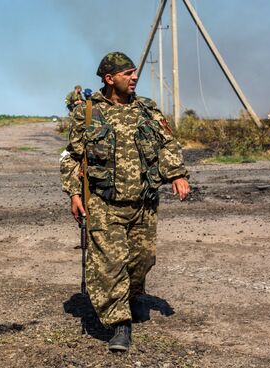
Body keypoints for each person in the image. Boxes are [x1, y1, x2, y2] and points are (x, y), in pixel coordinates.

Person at [60, 52, 190, 352]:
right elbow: (73, 156)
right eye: (127, 73)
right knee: (110, 264)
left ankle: (126, 299)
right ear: (109, 79)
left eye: (134, 73)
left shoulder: (147, 109)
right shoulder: (87, 113)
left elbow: (168, 143)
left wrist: (176, 175)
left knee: (141, 261)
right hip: (104, 204)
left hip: (143, 203)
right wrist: (74, 193)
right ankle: (120, 324)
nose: (134, 78)